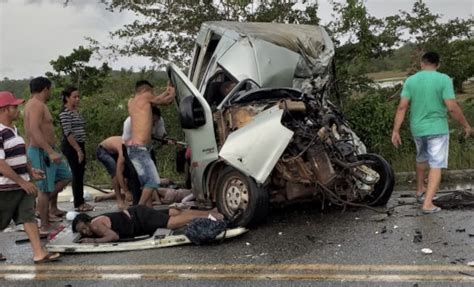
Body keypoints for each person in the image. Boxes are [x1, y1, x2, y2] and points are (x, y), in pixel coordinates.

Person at [391, 51, 472, 214]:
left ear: (422, 63)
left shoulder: (411, 81)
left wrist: (396, 130)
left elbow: (402, 107)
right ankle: (428, 204)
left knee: (421, 158)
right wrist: (466, 125)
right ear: (438, 64)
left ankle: (420, 190)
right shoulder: (444, 79)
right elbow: (452, 107)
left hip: (417, 128)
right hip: (437, 128)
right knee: (436, 164)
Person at [0, 91, 60, 263]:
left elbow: (21, 156)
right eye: (15, 107)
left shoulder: (14, 130)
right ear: (5, 109)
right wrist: (21, 182)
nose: (18, 110)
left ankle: (38, 253)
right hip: (5, 187)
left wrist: (31, 172)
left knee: (28, 217)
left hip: (22, 185)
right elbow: (1, 163)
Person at [24, 77, 72, 233]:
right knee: (44, 190)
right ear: (45, 89)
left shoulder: (37, 104)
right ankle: (44, 225)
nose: (51, 92)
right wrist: (49, 151)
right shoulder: (36, 105)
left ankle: (40, 208)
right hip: (41, 152)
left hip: (47, 150)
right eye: (50, 89)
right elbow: (34, 130)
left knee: (66, 176)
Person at [126, 80, 175, 206]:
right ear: (144, 90)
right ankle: (139, 209)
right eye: (151, 92)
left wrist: (166, 91)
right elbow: (167, 101)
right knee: (153, 181)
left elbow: (156, 99)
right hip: (140, 148)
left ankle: (148, 212)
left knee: (146, 183)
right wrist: (173, 91)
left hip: (132, 148)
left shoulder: (131, 102)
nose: (152, 94)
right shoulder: (146, 97)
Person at [72, 205, 223, 243]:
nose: (85, 232)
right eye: (82, 231)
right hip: (137, 213)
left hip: (140, 219)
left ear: (87, 221)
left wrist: (91, 241)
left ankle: (213, 216)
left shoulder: (95, 226)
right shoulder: (95, 221)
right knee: (174, 213)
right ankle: (211, 211)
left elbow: (113, 236)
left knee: (173, 223)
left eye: (84, 228)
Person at [59, 87, 92, 212]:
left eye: (78, 97)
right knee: (76, 173)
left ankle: (81, 200)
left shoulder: (75, 111)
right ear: (67, 98)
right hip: (72, 146)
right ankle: (78, 203)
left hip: (80, 144)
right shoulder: (65, 113)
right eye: (74, 97)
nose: (77, 99)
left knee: (80, 172)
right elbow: (68, 133)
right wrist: (78, 149)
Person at [96, 136, 131, 209]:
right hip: (103, 150)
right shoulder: (123, 149)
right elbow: (118, 173)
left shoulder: (133, 148)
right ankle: (119, 201)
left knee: (127, 171)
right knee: (115, 171)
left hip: (114, 151)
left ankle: (126, 198)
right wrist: (126, 191)